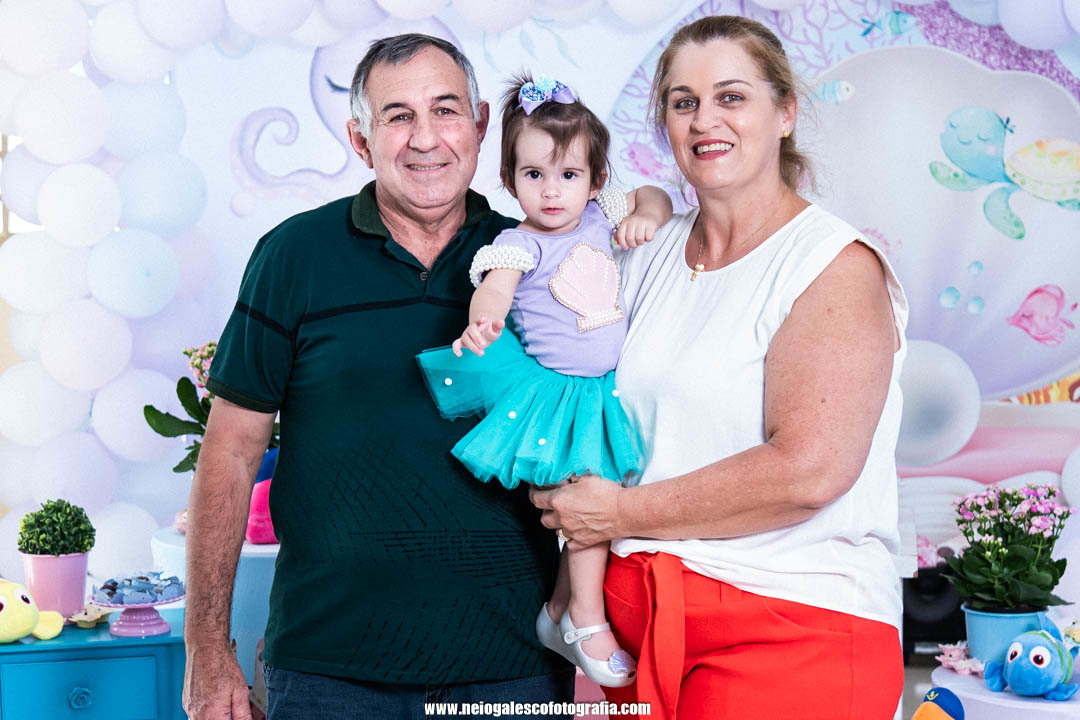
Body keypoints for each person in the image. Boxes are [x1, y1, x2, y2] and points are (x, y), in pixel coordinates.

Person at [183, 34, 576, 720]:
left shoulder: (540, 260)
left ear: (481, 125)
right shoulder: (293, 256)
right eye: (398, 116)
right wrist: (206, 648)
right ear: (360, 141)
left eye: (445, 110)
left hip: (513, 669)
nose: (425, 138)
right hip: (327, 673)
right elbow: (232, 452)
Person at [530, 15, 909, 720]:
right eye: (684, 102)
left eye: (731, 97)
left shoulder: (830, 265)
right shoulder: (644, 251)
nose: (706, 120)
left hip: (788, 628)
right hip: (639, 637)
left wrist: (617, 513)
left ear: (785, 113)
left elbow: (809, 471)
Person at [415, 75, 672, 688]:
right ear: (509, 180)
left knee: (604, 496)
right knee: (590, 501)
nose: (551, 191)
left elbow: (657, 196)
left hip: (604, 390)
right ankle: (586, 618)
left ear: (596, 180)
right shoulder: (518, 243)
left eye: (568, 174)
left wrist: (646, 215)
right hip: (555, 397)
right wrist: (484, 320)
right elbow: (494, 288)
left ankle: (557, 611)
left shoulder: (600, 215)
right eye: (533, 175)